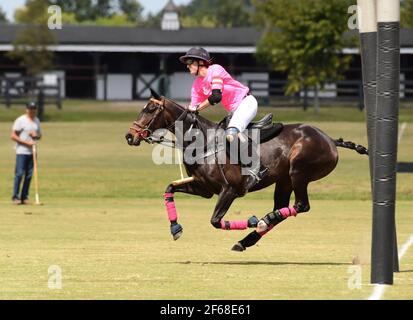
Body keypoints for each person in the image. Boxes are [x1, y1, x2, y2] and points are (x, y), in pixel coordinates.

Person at [179, 47, 268, 190]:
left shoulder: (215, 70)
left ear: (201, 62)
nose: (187, 65)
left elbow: (216, 96)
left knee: (231, 134)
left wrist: (196, 108)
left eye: (190, 61)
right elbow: (192, 110)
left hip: (246, 103)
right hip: (233, 111)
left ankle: (259, 168)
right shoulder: (196, 85)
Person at [10, 101, 42, 205]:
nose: (32, 111)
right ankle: (15, 197)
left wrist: (35, 135)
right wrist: (26, 143)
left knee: (29, 175)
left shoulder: (36, 120)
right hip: (21, 152)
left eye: (33, 109)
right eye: (30, 109)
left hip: (32, 151)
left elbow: (39, 136)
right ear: (26, 109)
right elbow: (13, 136)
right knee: (19, 174)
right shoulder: (20, 120)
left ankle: (24, 197)